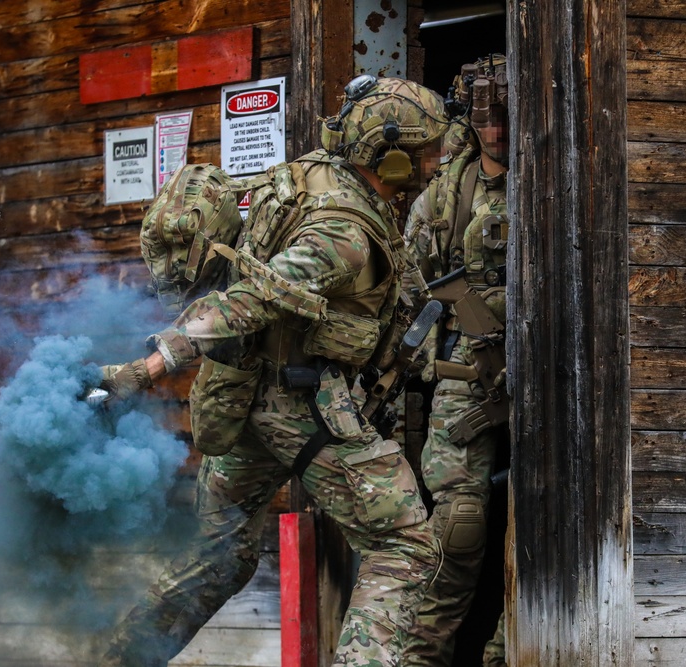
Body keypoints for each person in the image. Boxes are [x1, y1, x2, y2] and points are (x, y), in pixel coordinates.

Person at [96, 75, 450, 667]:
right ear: (388, 158)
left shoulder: (309, 174)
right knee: (406, 543)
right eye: (428, 152)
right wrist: (154, 363)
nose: (438, 163)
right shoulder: (344, 234)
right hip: (304, 406)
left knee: (220, 556)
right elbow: (254, 297)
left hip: (238, 395)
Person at [401, 55, 510, 667]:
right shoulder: (443, 197)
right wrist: (411, 362)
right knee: (458, 527)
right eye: (484, 113)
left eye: (506, 113)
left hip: (552, 374)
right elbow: (415, 299)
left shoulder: (557, 182)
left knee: (551, 519)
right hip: (467, 379)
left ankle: (508, 651)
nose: (495, 127)